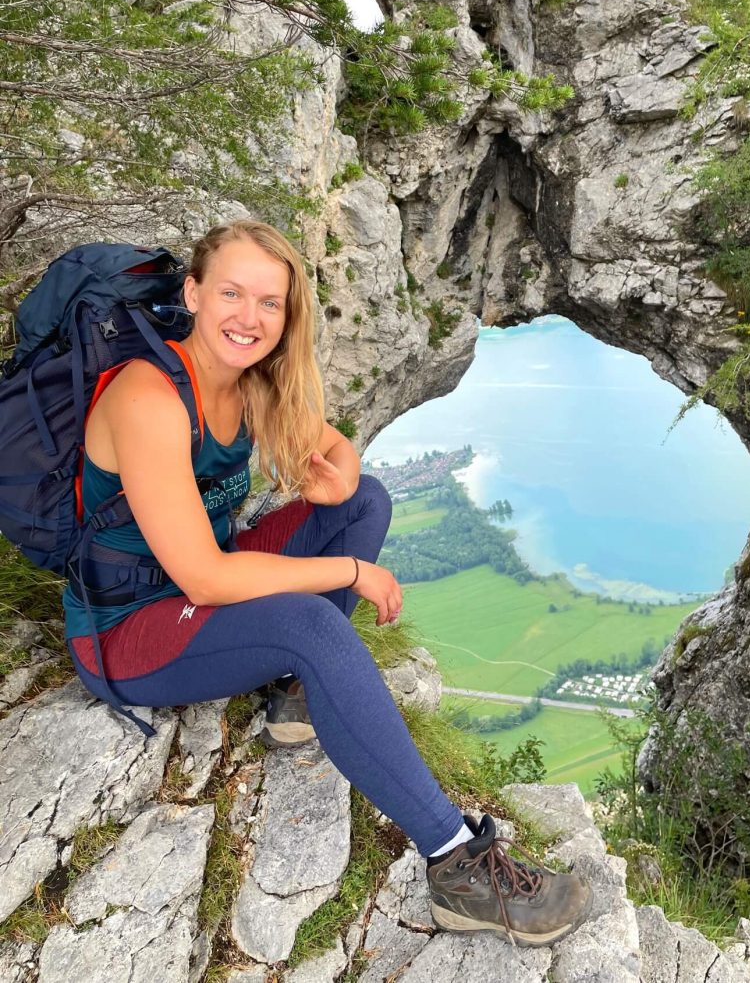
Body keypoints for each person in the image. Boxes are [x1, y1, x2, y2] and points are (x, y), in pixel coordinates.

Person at [63, 219, 590, 946]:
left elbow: (334, 453)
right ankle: (457, 867)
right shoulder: (148, 398)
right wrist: (350, 571)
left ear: (287, 315)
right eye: (230, 293)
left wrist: (337, 469)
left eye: (269, 302)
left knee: (367, 498)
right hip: (129, 629)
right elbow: (206, 575)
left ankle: (296, 696)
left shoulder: (244, 383)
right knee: (317, 624)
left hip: (195, 601)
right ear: (192, 292)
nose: (248, 317)